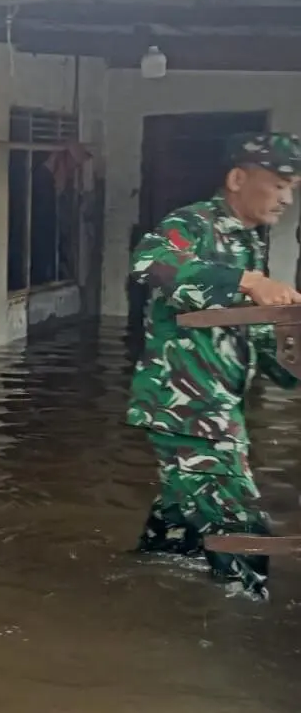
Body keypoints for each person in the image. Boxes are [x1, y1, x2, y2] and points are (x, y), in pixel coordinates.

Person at [128, 132, 301, 600]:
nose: (288, 198)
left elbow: (259, 340)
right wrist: (248, 283)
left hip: (217, 410)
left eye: (294, 187)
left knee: (175, 546)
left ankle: (137, 599)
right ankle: (237, 646)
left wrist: (290, 343)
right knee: (245, 535)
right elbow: (148, 265)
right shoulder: (195, 223)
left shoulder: (249, 241)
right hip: (187, 410)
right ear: (237, 178)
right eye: (280, 183)